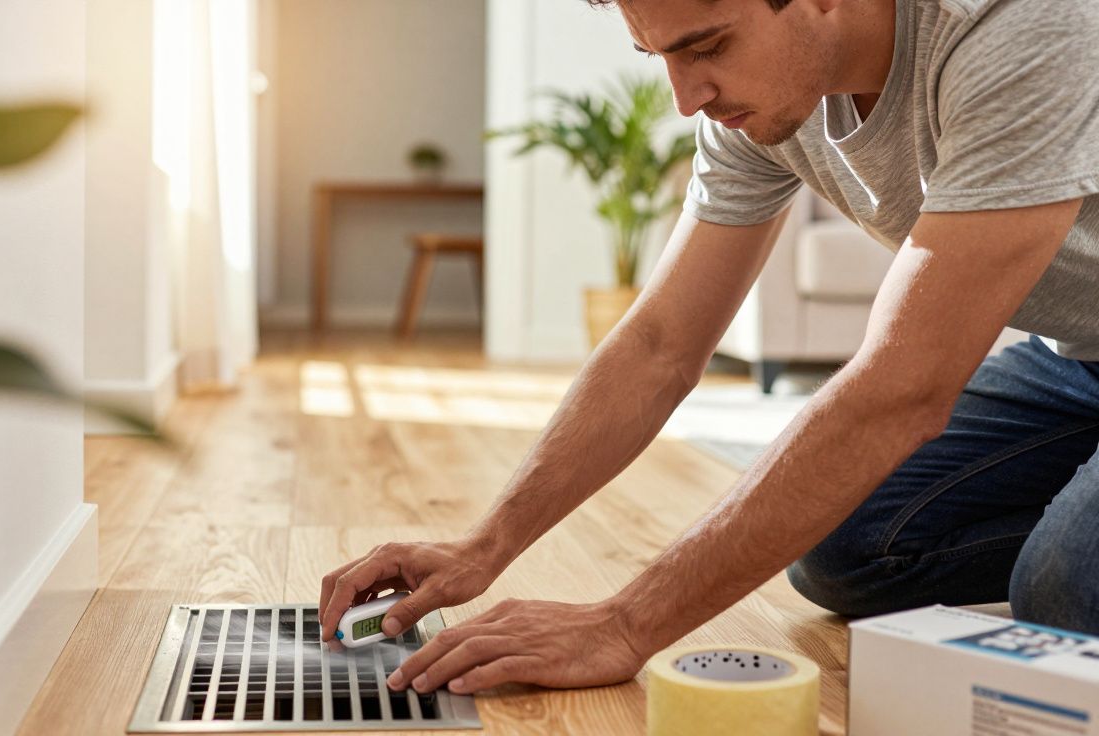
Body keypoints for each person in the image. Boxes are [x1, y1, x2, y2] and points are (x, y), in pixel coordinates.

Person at [318, 0, 1099, 696]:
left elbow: (901, 390)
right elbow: (661, 343)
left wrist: (626, 623)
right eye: (659, 57)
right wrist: (484, 546)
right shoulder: (759, 107)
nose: (684, 96)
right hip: (1076, 362)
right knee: (844, 547)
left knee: (1062, 590)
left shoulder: (1025, 26)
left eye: (707, 46)